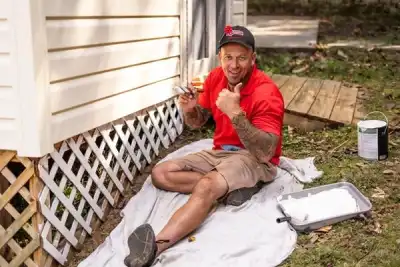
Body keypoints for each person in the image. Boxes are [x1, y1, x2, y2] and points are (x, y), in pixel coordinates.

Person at [124, 25, 284, 267]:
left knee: (207, 185)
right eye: (228, 57)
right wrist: (190, 111)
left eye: (242, 57)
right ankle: (228, 191)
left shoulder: (266, 92)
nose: (234, 65)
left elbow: (267, 150)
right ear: (220, 56)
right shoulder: (215, 78)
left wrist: (236, 114)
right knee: (161, 173)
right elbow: (199, 122)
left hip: (255, 159)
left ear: (253, 58)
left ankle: (155, 247)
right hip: (220, 153)